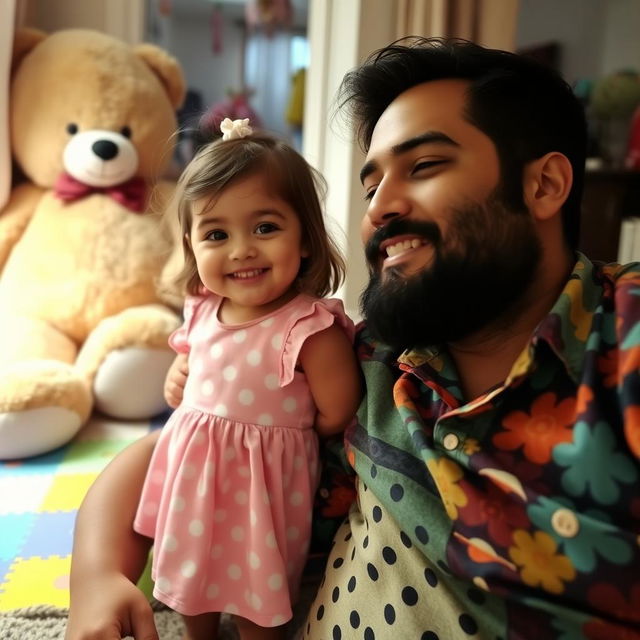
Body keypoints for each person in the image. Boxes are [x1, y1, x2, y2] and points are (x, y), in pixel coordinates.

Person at [65, 37, 640, 639]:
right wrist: (98, 575)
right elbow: (172, 453)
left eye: (423, 167)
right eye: (370, 188)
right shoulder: (374, 365)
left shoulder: (620, 334)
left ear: (544, 184)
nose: (381, 207)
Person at [65, 118, 361, 640]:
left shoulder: (308, 326)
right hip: (193, 477)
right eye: (216, 234)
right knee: (190, 574)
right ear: (192, 246)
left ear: (307, 239)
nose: (241, 249)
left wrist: (294, 425)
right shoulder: (203, 307)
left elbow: (339, 407)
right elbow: (191, 365)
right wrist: (181, 378)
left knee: (258, 585)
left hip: (263, 486)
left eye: (265, 227)